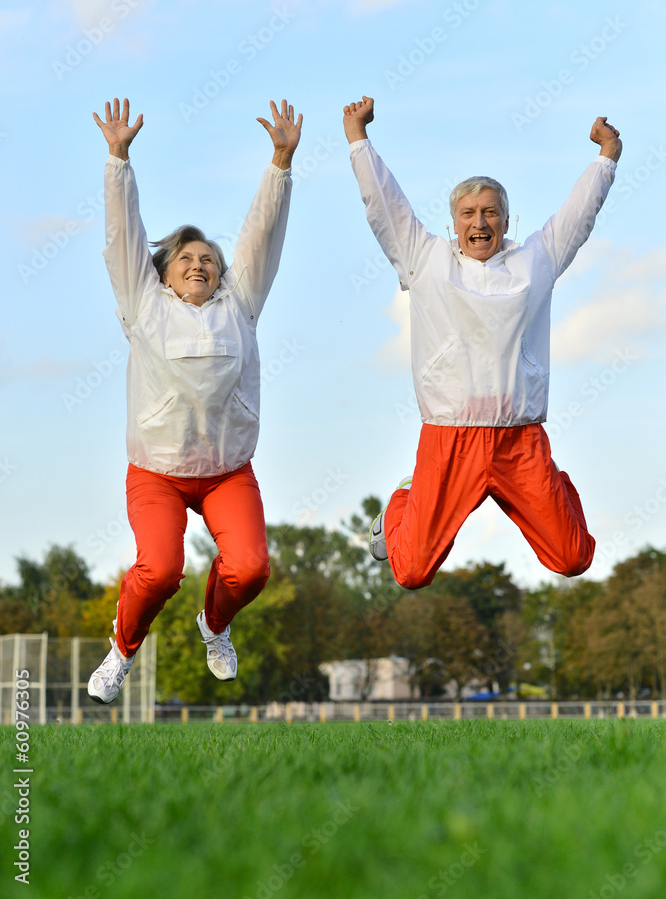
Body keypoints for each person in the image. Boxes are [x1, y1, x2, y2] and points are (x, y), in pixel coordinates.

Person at [343, 95, 621, 590]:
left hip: (520, 440)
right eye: (469, 213)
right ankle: (405, 497)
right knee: (408, 572)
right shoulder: (425, 259)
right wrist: (359, 139)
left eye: (490, 213)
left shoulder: (536, 261)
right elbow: (385, 208)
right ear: (454, 224)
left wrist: (606, 159)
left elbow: (577, 219)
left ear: (506, 222)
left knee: (573, 557)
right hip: (450, 438)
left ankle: (552, 481)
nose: (480, 223)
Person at [87, 97, 302, 704]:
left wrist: (280, 162)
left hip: (227, 471)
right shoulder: (144, 305)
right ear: (163, 273)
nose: (200, 265)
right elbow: (122, 237)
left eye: (209, 259)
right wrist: (118, 160)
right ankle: (122, 650)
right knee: (159, 569)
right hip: (156, 471)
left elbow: (262, 235)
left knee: (252, 568)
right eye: (186, 259)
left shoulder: (241, 304)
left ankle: (216, 624)